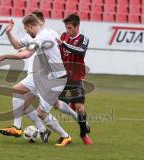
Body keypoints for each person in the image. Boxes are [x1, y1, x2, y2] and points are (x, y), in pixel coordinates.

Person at [0, 14, 73, 147]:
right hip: (42, 77)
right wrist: (8, 32)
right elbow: (18, 46)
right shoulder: (39, 36)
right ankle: (17, 127)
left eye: (26, 30)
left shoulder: (42, 37)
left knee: (41, 113)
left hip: (55, 80)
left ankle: (65, 136)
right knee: (17, 90)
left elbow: (25, 54)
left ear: (31, 26)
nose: (27, 33)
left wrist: (5, 56)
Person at [57, 14, 93, 145]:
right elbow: (59, 52)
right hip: (62, 77)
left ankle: (84, 134)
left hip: (76, 77)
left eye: (70, 27)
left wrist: (64, 45)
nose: (67, 30)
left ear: (77, 26)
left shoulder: (83, 39)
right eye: (66, 27)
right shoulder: (63, 36)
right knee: (55, 104)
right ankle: (60, 134)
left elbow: (81, 51)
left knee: (80, 107)